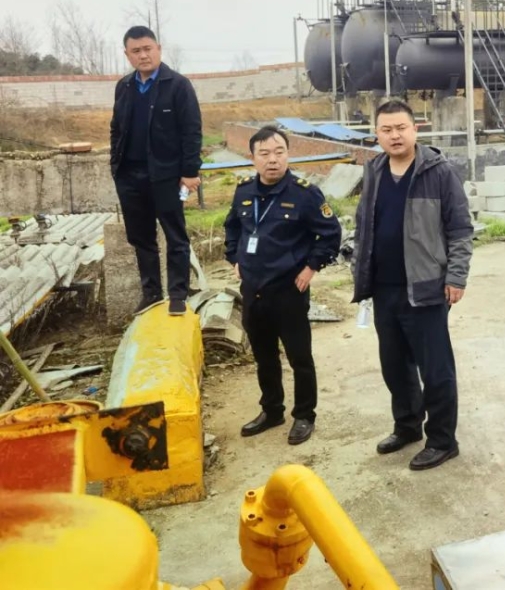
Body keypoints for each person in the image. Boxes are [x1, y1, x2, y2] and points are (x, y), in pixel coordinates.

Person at [352, 99, 473, 471]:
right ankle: (407, 426)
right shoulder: (374, 170)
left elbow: (460, 228)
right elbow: (364, 225)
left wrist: (456, 276)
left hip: (426, 287)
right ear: (376, 134)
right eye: (386, 129)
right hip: (383, 287)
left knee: (435, 370)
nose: (395, 135)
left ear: (415, 129)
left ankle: (443, 440)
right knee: (394, 365)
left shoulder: (438, 172)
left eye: (401, 128)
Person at [224, 126, 341, 446]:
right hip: (253, 290)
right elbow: (232, 227)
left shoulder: (305, 194)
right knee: (264, 356)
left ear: (288, 155)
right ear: (253, 158)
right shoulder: (243, 191)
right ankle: (272, 410)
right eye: (264, 154)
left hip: (289, 290)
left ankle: (304, 415)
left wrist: (311, 267)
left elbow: (330, 233)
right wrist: (234, 257)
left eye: (279, 152)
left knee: (299, 358)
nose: (272, 160)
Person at [110, 26, 202, 316]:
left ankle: (178, 294)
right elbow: (116, 129)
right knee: (140, 237)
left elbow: (192, 131)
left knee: (175, 235)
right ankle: (151, 293)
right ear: (127, 55)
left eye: (147, 48)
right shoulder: (124, 87)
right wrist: (116, 166)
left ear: (158, 49)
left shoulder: (178, 85)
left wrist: (190, 172)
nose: (143, 55)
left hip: (167, 176)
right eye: (136, 51)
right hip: (130, 176)